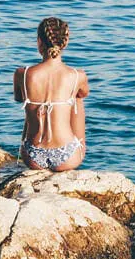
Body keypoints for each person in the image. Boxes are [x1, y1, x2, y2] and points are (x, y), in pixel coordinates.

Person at [14, 17, 89, 171]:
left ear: (39, 42)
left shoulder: (22, 73)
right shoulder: (77, 75)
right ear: (65, 42)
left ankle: (28, 147)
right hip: (67, 156)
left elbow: (18, 98)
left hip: (32, 155)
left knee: (31, 101)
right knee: (77, 98)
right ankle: (78, 143)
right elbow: (84, 93)